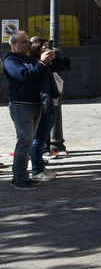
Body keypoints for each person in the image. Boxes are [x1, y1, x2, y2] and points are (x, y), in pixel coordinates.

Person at [3, 31, 64, 190]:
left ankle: (24, 175)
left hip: (36, 104)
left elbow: (44, 73)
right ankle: (19, 178)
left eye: (28, 42)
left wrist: (49, 61)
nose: (27, 44)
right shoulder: (10, 60)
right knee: (25, 141)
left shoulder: (31, 59)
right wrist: (42, 63)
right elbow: (25, 75)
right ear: (14, 45)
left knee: (29, 140)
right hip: (21, 105)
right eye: (23, 42)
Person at [28, 37, 70, 183]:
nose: (47, 50)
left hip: (52, 101)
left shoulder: (48, 63)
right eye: (43, 48)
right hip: (44, 103)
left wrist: (52, 58)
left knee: (43, 136)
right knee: (39, 138)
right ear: (36, 50)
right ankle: (36, 170)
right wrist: (42, 62)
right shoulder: (35, 64)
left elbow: (65, 64)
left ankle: (39, 166)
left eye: (48, 47)